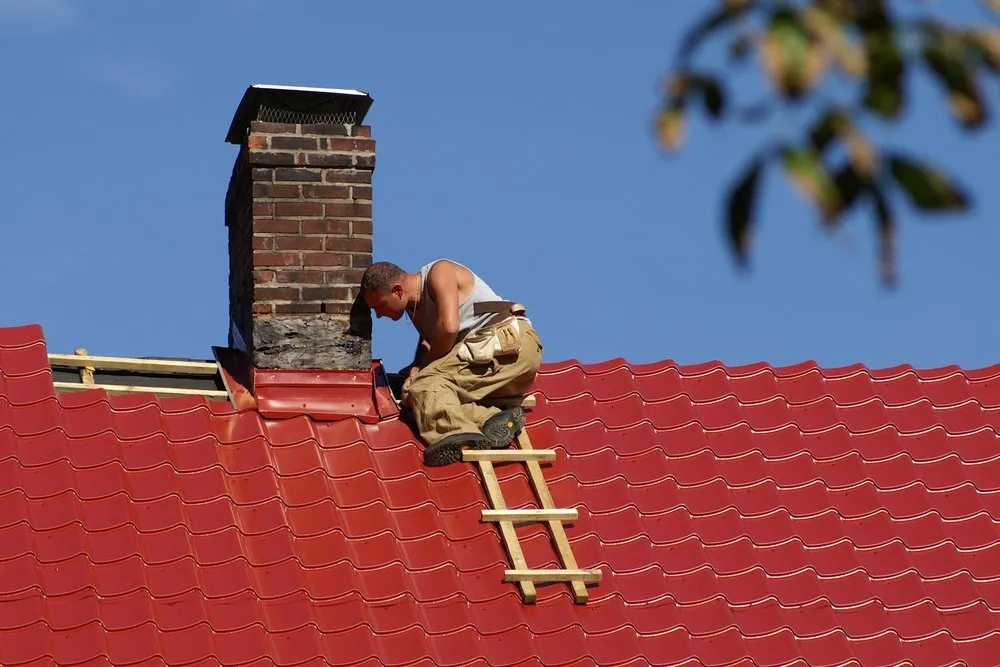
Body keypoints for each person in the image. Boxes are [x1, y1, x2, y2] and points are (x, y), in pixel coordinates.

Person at [360, 259, 543, 466]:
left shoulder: (439, 272)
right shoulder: (414, 308)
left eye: (380, 305)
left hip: (509, 345)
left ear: (397, 291)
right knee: (421, 399)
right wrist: (417, 365)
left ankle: (457, 434)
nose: (379, 315)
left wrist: (423, 373)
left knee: (422, 388)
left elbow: (448, 328)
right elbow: (431, 341)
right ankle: (491, 419)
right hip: (494, 365)